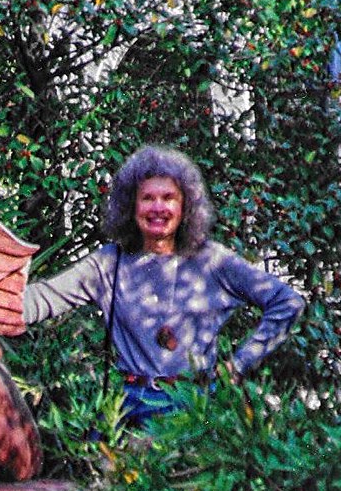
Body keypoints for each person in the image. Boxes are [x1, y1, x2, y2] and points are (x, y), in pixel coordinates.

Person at [24, 146, 305, 426]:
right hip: (127, 407)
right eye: (147, 198)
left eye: (169, 198)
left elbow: (287, 302)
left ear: (185, 207)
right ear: (131, 206)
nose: (158, 208)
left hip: (194, 407)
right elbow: (43, 298)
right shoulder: (109, 263)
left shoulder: (212, 260)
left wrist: (240, 363)